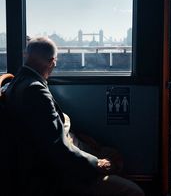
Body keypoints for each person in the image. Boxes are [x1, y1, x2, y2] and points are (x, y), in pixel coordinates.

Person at [5, 37, 144, 196]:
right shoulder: (35, 91)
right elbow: (57, 148)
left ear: (26, 56)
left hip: (49, 160)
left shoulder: (16, 83)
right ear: (52, 62)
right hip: (57, 173)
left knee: (113, 155)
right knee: (134, 191)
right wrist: (96, 163)